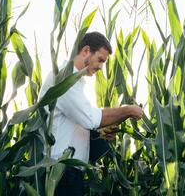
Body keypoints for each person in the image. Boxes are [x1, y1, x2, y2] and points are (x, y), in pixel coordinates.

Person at [39, 31, 143, 196]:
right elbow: (90, 118)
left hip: (70, 172)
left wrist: (99, 134)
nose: (101, 67)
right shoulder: (63, 80)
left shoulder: (76, 83)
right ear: (86, 51)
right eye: (100, 60)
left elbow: (75, 123)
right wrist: (128, 110)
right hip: (59, 173)